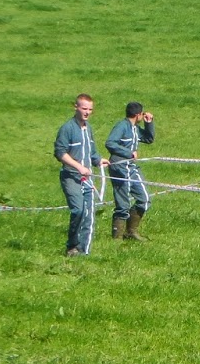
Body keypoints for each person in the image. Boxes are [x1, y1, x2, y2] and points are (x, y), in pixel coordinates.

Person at [54, 93, 108, 256]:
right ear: (75, 107)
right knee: (78, 210)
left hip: (87, 179)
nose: (87, 112)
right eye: (84, 108)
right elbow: (60, 153)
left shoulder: (88, 128)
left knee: (89, 214)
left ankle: (85, 251)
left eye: (90, 109)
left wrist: (98, 160)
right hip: (71, 177)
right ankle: (72, 245)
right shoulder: (67, 128)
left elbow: (91, 151)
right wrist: (79, 167)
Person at [106, 101, 155, 241]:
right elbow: (110, 143)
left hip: (132, 167)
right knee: (123, 204)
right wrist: (128, 152)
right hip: (119, 166)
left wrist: (149, 123)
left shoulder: (135, 128)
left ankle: (131, 231)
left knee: (144, 199)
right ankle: (117, 238)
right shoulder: (121, 126)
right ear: (138, 114)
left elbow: (148, 138)